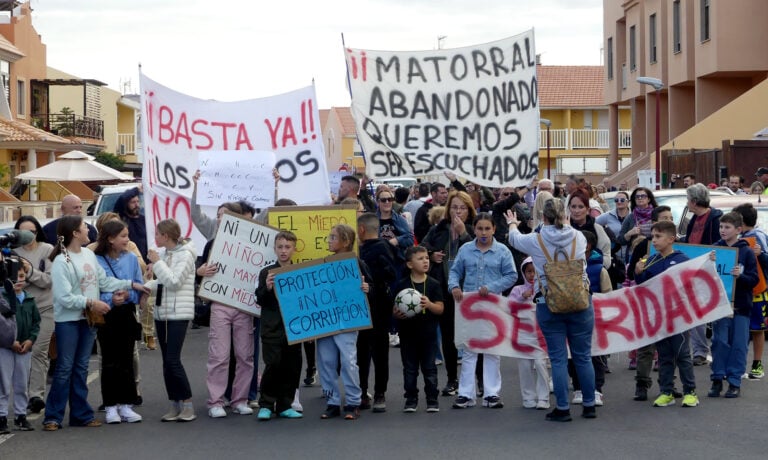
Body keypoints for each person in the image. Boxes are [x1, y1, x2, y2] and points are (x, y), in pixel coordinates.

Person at [43, 215, 143, 431]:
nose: (89, 230)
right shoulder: (62, 261)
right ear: (74, 233)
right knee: (64, 368)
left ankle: (81, 414)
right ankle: (53, 416)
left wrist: (131, 284)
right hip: (69, 321)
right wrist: (91, 302)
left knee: (81, 368)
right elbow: (63, 297)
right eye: (84, 227)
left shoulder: (88, 254)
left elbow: (103, 281)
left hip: (88, 320)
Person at [507, 199, 597, 421]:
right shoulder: (579, 236)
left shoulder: (536, 240)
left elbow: (513, 239)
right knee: (583, 357)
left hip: (549, 303)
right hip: (581, 302)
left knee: (557, 358)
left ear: (543, 218)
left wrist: (512, 223)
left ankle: (563, 408)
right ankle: (589, 404)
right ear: (565, 216)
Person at [448, 213, 517, 409]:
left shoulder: (502, 251)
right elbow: (454, 271)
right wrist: (454, 286)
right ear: (474, 230)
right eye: (480, 229)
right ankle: (465, 394)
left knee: (492, 349)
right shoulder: (466, 250)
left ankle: (491, 393)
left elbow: (511, 275)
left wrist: (493, 287)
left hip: (493, 306)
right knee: (469, 349)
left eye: (487, 228)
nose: (484, 232)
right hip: (469, 306)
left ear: (494, 229)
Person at [634, 221, 700, 408]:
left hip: (678, 316)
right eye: (653, 236)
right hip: (659, 316)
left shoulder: (682, 259)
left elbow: (692, 284)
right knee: (664, 355)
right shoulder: (652, 261)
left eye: (658, 236)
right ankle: (666, 391)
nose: (654, 240)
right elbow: (643, 287)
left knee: (682, 354)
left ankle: (690, 392)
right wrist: (638, 273)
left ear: (671, 239)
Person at [420, 191, 476, 397]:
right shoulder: (438, 229)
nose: (457, 211)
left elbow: (479, 250)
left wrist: (463, 235)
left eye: (462, 207)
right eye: (454, 207)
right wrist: (431, 254)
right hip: (444, 290)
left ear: (468, 210)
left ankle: (476, 379)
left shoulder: (473, 229)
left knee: (472, 336)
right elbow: (422, 247)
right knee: (449, 337)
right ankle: (452, 379)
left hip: (469, 291)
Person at [143, 219, 198, 422]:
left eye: (157, 234)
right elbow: (163, 282)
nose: (155, 238)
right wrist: (147, 286)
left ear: (166, 236)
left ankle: (188, 404)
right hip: (162, 312)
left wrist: (157, 263)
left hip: (178, 314)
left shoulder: (185, 255)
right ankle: (174, 403)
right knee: (166, 362)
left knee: (173, 360)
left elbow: (174, 282)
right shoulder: (167, 254)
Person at [92, 220, 145, 424]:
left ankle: (126, 404)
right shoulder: (96, 259)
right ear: (110, 238)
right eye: (123, 236)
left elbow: (138, 285)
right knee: (109, 360)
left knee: (126, 359)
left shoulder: (131, 258)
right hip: (106, 313)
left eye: (127, 235)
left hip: (126, 312)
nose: (127, 239)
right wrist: (110, 299)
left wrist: (128, 295)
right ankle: (111, 405)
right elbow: (95, 288)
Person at [317, 224, 370, 420]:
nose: (329, 241)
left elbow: (370, 285)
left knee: (348, 361)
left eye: (333, 237)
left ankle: (353, 401)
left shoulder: (356, 262)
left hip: (347, 320)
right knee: (326, 361)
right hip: (325, 321)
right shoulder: (324, 262)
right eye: (329, 237)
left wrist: (366, 287)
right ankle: (332, 401)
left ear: (346, 242)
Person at [255, 231, 304, 420]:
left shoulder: (299, 271)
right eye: (280, 247)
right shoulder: (266, 273)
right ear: (274, 249)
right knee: (273, 365)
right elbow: (259, 299)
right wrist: (267, 288)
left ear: (294, 248)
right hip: (272, 328)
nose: (283, 251)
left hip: (295, 328)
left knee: (292, 367)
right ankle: (266, 404)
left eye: (287, 247)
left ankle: (285, 404)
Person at [709, 212, 758, 398]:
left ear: (738, 230)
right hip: (720, 304)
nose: (723, 230)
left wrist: (741, 276)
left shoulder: (746, 252)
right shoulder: (715, 250)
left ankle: (734, 381)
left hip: (741, 306)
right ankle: (717, 378)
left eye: (727, 227)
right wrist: (709, 262)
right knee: (719, 342)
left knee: (738, 345)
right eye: (721, 227)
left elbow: (753, 278)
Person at [393, 246, 444, 412]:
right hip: (408, 334)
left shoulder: (434, 284)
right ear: (409, 264)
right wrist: (396, 314)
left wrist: (429, 304)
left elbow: (440, 308)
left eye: (427, 258)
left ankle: (432, 399)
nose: (425, 261)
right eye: (420, 259)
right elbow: (394, 309)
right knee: (409, 369)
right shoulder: (402, 285)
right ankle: (411, 399)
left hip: (428, 335)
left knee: (429, 368)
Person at [357, 213, 398, 412]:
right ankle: (363, 392)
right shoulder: (366, 249)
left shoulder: (380, 249)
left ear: (362, 230)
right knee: (361, 352)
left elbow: (390, 275)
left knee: (377, 353)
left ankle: (379, 392)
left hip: (378, 308)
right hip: (365, 309)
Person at [12, 216, 53, 414]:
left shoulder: (48, 250)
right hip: (21, 309)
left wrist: (29, 272)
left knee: (38, 350)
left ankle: (36, 395)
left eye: (32, 232)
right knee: (22, 352)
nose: (28, 236)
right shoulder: (13, 253)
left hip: (45, 308)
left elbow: (49, 281)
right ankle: (23, 396)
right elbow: (12, 283)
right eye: (23, 232)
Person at [684, 183, 723, 366]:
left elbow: (719, 244)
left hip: (710, 271)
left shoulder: (715, 218)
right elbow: (690, 240)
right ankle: (700, 350)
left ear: (694, 201)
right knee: (695, 311)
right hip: (694, 270)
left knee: (713, 312)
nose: (687, 204)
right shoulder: (694, 219)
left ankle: (716, 350)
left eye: (688, 200)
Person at [0, 267, 41, 432]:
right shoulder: (3, 297)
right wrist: (11, 341)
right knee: (3, 383)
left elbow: (36, 323)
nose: (18, 280)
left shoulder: (30, 299)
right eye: (14, 277)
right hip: (5, 347)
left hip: (25, 348)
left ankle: (20, 415)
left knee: (21, 383)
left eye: (22, 276)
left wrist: (31, 340)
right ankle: (1, 416)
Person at [508, 257, 550, 410]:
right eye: (529, 272)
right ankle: (528, 397)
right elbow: (508, 307)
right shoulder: (517, 290)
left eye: (535, 271)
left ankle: (544, 398)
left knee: (541, 364)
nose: (532, 275)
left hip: (540, 336)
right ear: (523, 273)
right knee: (525, 367)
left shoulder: (546, 288)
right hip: (523, 336)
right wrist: (521, 297)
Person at [732, 203, 768, 379]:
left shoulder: (758, 236)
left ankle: (757, 363)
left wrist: (761, 254)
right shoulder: (735, 239)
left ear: (741, 221)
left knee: (757, 328)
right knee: (740, 328)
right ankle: (739, 364)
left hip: (757, 290)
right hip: (739, 289)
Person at [567, 188, 611, 268]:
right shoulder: (564, 229)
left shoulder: (597, 229)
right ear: (569, 208)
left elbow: (607, 258)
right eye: (573, 207)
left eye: (580, 207)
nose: (576, 211)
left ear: (588, 210)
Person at [618, 187, 659, 254]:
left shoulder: (657, 214)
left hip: (655, 252)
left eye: (643, 196)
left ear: (648, 199)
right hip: (636, 254)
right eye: (637, 197)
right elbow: (621, 240)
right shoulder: (630, 217)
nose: (640, 198)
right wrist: (629, 233)